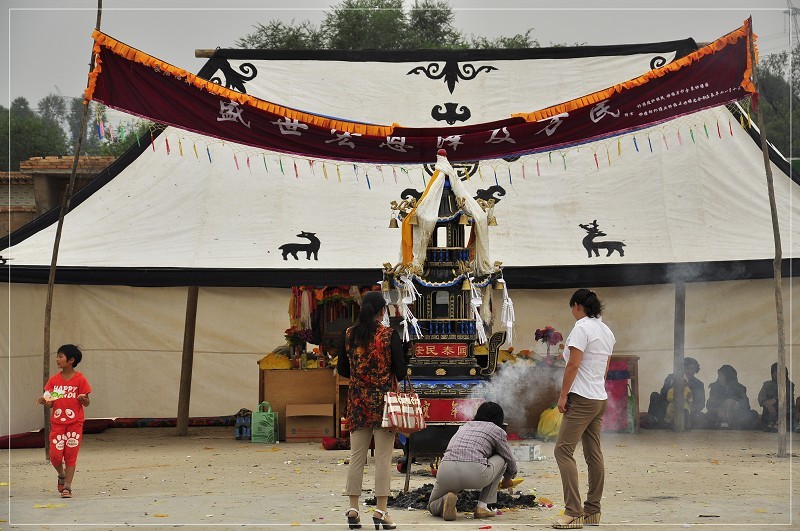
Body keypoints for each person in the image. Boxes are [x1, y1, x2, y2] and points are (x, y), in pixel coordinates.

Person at [337, 291, 407, 530]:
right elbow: (401, 369)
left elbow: (343, 370)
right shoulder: (389, 335)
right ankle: (381, 511)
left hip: (357, 403)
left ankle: (353, 508)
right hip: (384, 404)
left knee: (357, 457)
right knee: (383, 459)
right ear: (382, 311)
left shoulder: (348, 335)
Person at [552, 288, 616, 529]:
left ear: (578, 306)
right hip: (599, 397)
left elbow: (573, 366)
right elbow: (605, 368)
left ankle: (573, 511)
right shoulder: (606, 331)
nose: (572, 313)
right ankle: (592, 511)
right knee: (593, 453)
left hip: (582, 397)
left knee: (563, 451)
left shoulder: (581, 328)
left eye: (572, 308)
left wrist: (563, 395)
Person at [427, 401, 518, 522]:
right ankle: (482, 507)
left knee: (431, 504)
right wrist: (508, 478)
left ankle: (444, 501)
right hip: (475, 474)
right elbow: (509, 458)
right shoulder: (497, 430)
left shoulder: (465, 426)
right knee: (502, 457)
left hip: (446, 470)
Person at [35, 344, 92, 499]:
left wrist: (83, 398)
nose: (57, 359)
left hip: (75, 423)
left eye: (60, 356)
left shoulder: (80, 380)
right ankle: (61, 474)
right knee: (54, 455)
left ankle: (67, 487)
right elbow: (51, 403)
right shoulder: (54, 381)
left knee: (70, 455)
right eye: (57, 356)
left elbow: (86, 403)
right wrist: (44, 401)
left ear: (71, 360)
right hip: (58, 424)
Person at [644, 357, 706, 429]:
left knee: (699, 417)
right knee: (654, 395)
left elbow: (701, 404)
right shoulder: (671, 377)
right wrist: (670, 385)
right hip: (669, 407)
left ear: (695, 370)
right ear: (681, 368)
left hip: (686, 411)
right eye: (687, 368)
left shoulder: (699, 384)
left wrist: (689, 408)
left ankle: (665, 423)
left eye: (692, 369)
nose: (689, 371)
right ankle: (653, 420)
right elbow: (662, 395)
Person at [705, 365, 759, 430]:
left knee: (753, 414)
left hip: (736, 415)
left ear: (728, 376)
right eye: (719, 375)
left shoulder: (740, 388)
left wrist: (735, 403)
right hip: (720, 415)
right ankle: (726, 424)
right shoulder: (715, 388)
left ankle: (729, 425)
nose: (720, 378)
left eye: (722, 376)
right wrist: (717, 410)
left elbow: (747, 405)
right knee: (709, 415)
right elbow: (709, 405)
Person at [757, 362, 795, 432]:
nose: (777, 374)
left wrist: (774, 400)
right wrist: (768, 405)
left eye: (779, 372)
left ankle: (778, 424)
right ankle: (771, 423)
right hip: (770, 412)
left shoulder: (789, 384)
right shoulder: (767, 384)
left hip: (786, 412)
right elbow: (760, 397)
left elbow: (786, 396)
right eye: (775, 372)